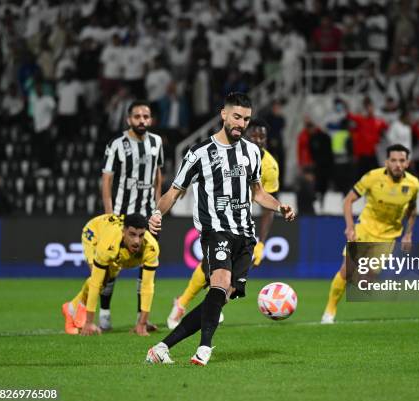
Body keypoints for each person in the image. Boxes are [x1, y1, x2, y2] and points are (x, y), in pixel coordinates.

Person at [145, 93, 295, 366]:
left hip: (245, 236)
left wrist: (279, 206)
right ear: (223, 114)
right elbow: (174, 192)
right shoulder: (199, 153)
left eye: (246, 119)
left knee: (220, 297)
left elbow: (258, 193)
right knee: (220, 284)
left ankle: (161, 348)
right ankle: (204, 348)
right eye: (236, 117)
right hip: (216, 230)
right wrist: (156, 213)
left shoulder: (252, 152)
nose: (241, 123)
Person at [166, 117, 280, 329]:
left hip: (242, 224)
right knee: (211, 269)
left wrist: (262, 242)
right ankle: (183, 304)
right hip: (218, 220)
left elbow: (266, 206)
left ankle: (206, 307)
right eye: (254, 134)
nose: (258, 139)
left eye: (262, 136)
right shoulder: (228, 152)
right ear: (246, 133)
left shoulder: (270, 166)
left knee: (230, 278)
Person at [321, 144, 419, 324]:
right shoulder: (372, 177)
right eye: (394, 160)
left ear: (408, 163)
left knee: (365, 283)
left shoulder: (413, 184)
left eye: (402, 160)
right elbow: (348, 200)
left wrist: (408, 234)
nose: (398, 164)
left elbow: (412, 210)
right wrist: (350, 227)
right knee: (346, 270)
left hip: (388, 235)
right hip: (365, 228)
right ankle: (330, 310)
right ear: (387, 162)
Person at [99, 100, 164, 331]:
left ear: (151, 119)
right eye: (137, 116)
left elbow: (158, 176)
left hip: (147, 217)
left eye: (146, 116)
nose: (142, 120)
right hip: (120, 215)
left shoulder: (157, 142)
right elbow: (106, 179)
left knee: (146, 267)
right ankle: (104, 314)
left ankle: (141, 319)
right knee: (111, 266)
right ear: (129, 120)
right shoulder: (116, 144)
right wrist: (109, 215)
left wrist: (157, 210)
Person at [61, 213, 159, 336]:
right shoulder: (108, 244)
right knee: (100, 280)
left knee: (106, 280)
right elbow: (96, 283)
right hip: (95, 233)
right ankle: (74, 309)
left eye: (141, 235)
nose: (136, 241)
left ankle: (71, 307)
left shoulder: (151, 247)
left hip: (114, 243)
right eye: (132, 234)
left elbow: (147, 287)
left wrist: (142, 324)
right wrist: (89, 322)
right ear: (124, 231)